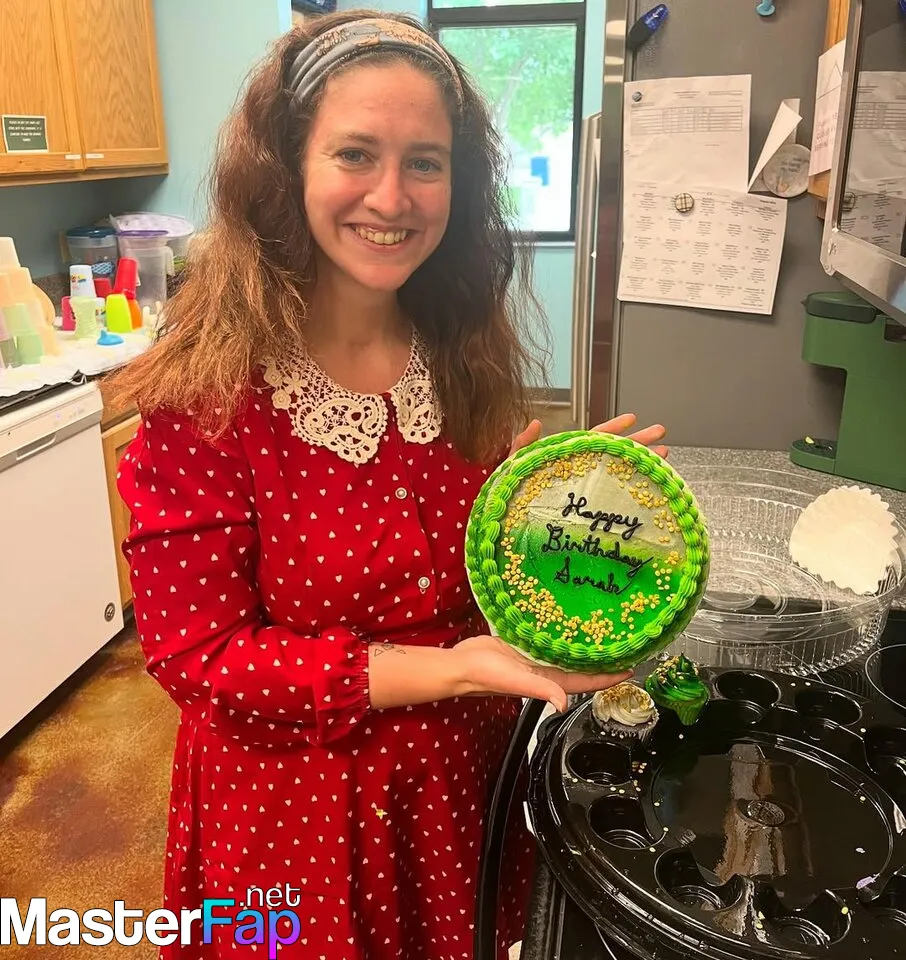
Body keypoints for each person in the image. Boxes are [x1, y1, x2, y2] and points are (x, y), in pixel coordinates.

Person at [110, 11, 668, 960]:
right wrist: (454, 668)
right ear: (285, 166)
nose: (392, 196)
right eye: (356, 153)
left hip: (459, 784)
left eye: (426, 162)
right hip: (301, 815)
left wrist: (547, 505)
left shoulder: (458, 350)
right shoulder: (207, 397)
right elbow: (201, 659)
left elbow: (468, 575)